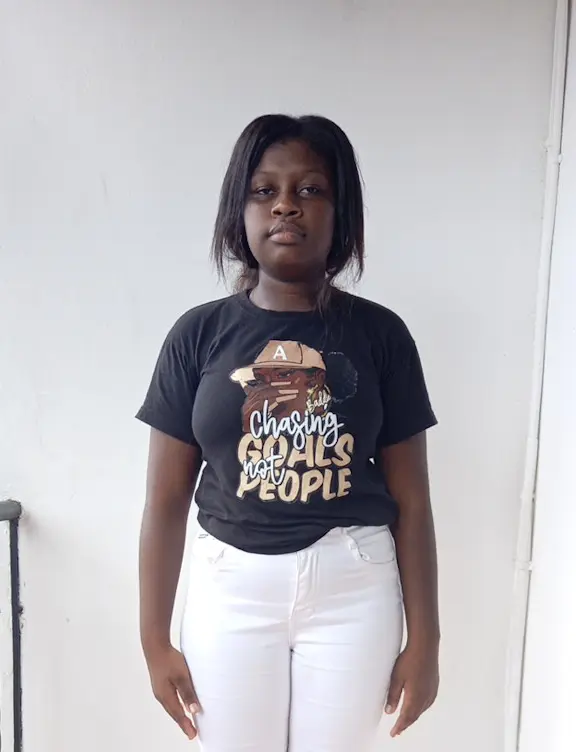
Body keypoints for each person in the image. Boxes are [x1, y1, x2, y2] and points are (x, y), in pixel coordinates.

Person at [137, 114, 440, 752]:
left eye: (310, 189)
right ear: (239, 211)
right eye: (264, 190)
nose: (285, 205)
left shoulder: (381, 335)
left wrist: (427, 642)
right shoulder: (198, 335)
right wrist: (153, 640)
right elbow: (164, 501)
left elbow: (412, 501)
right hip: (231, 589)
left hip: (354, 587)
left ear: (340, 213)